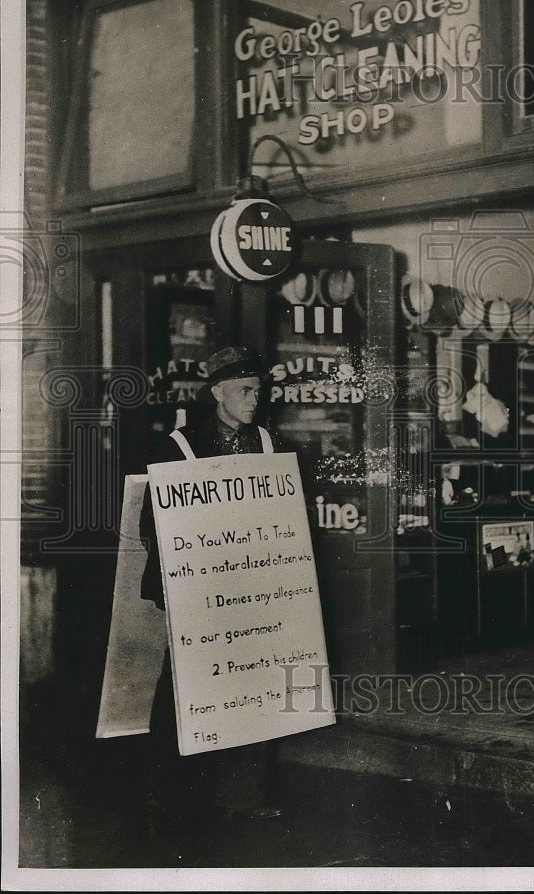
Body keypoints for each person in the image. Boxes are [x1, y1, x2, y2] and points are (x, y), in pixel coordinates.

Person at [139, 346, 282, 836]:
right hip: (198, 590)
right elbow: (152, 524)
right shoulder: (181, 444)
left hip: (251, 586)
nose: (253, 400)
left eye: (258, 392)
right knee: (186, 689)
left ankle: (242, 796)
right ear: (217, 392)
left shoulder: (266, 442)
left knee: (251, 681)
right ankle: (172, 792)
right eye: (244, 391)